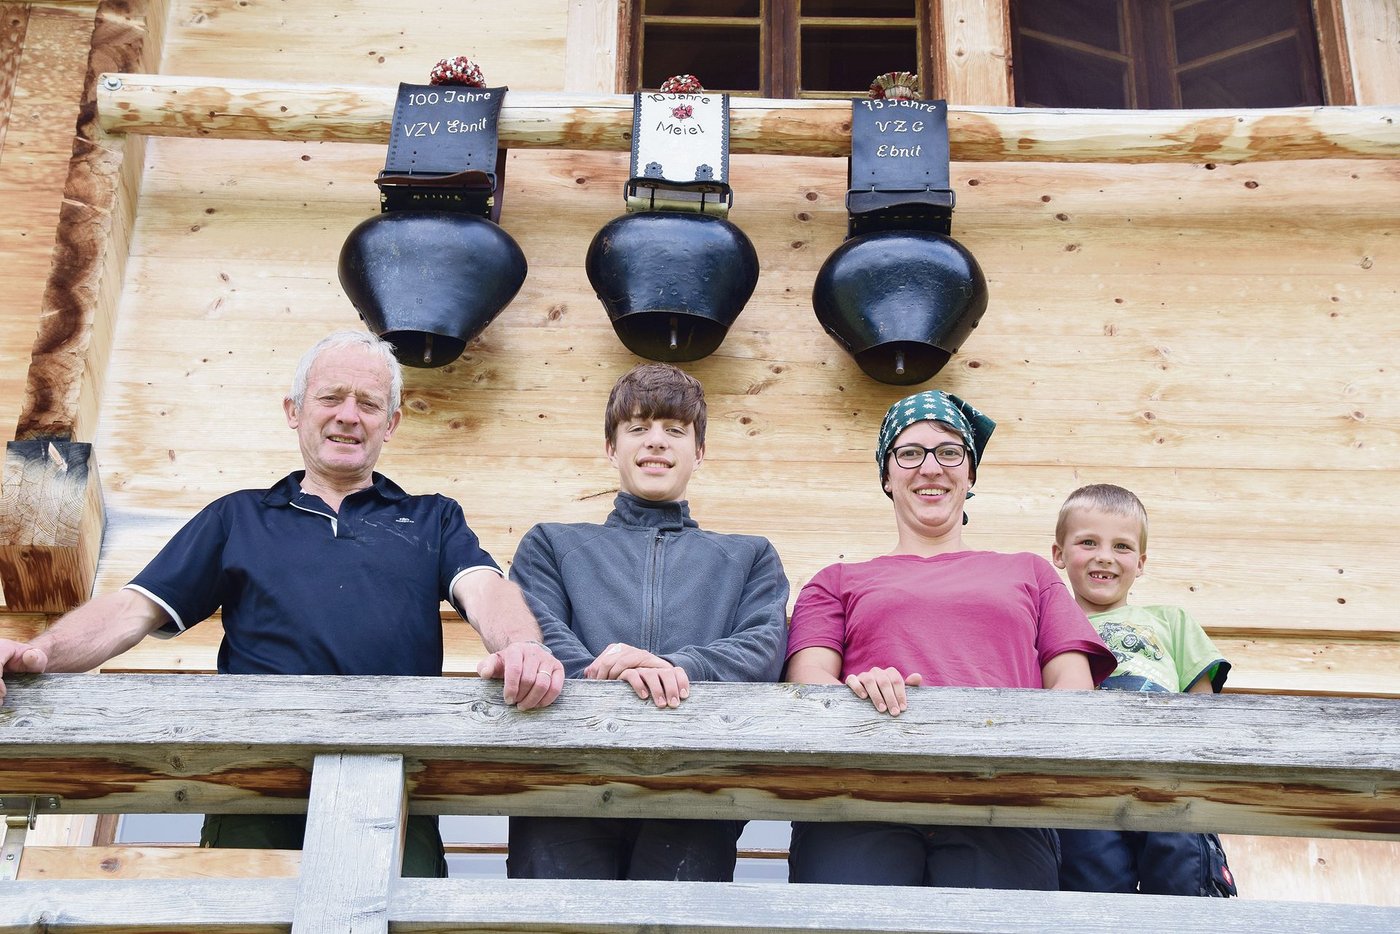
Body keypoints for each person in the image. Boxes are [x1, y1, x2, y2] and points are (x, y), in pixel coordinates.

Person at [0, 329, 564, 877]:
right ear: (294, 410)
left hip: (394, 784)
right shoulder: (237, 517)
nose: (348, 415)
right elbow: (132, 609)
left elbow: (486, 588)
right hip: (254, 784)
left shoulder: (433, 518)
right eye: (330, 397)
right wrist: (40, 652)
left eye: (369, 403)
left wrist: (524, 649)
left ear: (390, 424)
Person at [783, 389, 1117, 890]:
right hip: (859, 802)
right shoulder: (834, 581)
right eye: (909, 453)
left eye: (948, 452)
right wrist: (856, 692)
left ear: (970, 473)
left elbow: (1071, 688)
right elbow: (808, 683)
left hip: (1003, 805)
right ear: (887, 477)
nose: (930, 468)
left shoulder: (1030, 573)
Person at [506, 362, 788, 881]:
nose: (656, 442)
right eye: (638, 428)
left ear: (699, 452)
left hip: (698, 791)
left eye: (675, 431)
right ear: (611, 447)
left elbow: (763, 648)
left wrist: (672, 666)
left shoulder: (750, 557)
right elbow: (537, 632)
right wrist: (607, 671)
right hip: (563, 786)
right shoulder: (550, 544)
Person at [1052, 482, 1237, 897]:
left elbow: (1202, 706)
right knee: (1091, 891)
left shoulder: (1170, 620)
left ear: (1141, 561)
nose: (1105, 556)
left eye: (1122, 546)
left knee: (1183, 879)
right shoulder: (1049, 627)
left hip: (1164, 779)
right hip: (1085, 787)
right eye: (1088, 542)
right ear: (1059, 554)